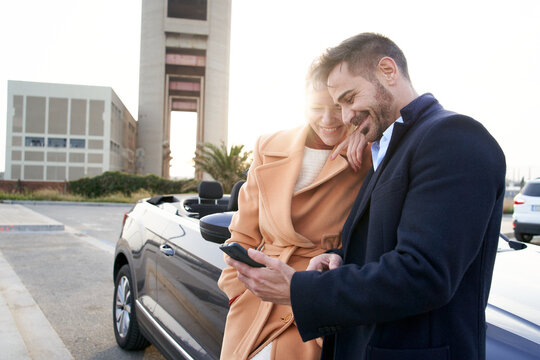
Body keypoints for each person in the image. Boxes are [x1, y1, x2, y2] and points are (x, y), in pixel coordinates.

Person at [226, 33, 506, 360]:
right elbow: (386, 246)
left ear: (388, 71)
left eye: (349, 98)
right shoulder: (392, 147)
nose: (345, 118)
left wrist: (299, 289)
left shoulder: (453, 137)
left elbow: (423, 273)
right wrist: (341, 259)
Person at [217, 63, 371, 360]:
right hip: (256, 301)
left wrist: (365, 134)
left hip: (316, 304)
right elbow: (243, 232)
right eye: (316, 107)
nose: (327, 119)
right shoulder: (268, 145)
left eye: (338, 107)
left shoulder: (367, 151)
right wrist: (237, 292)